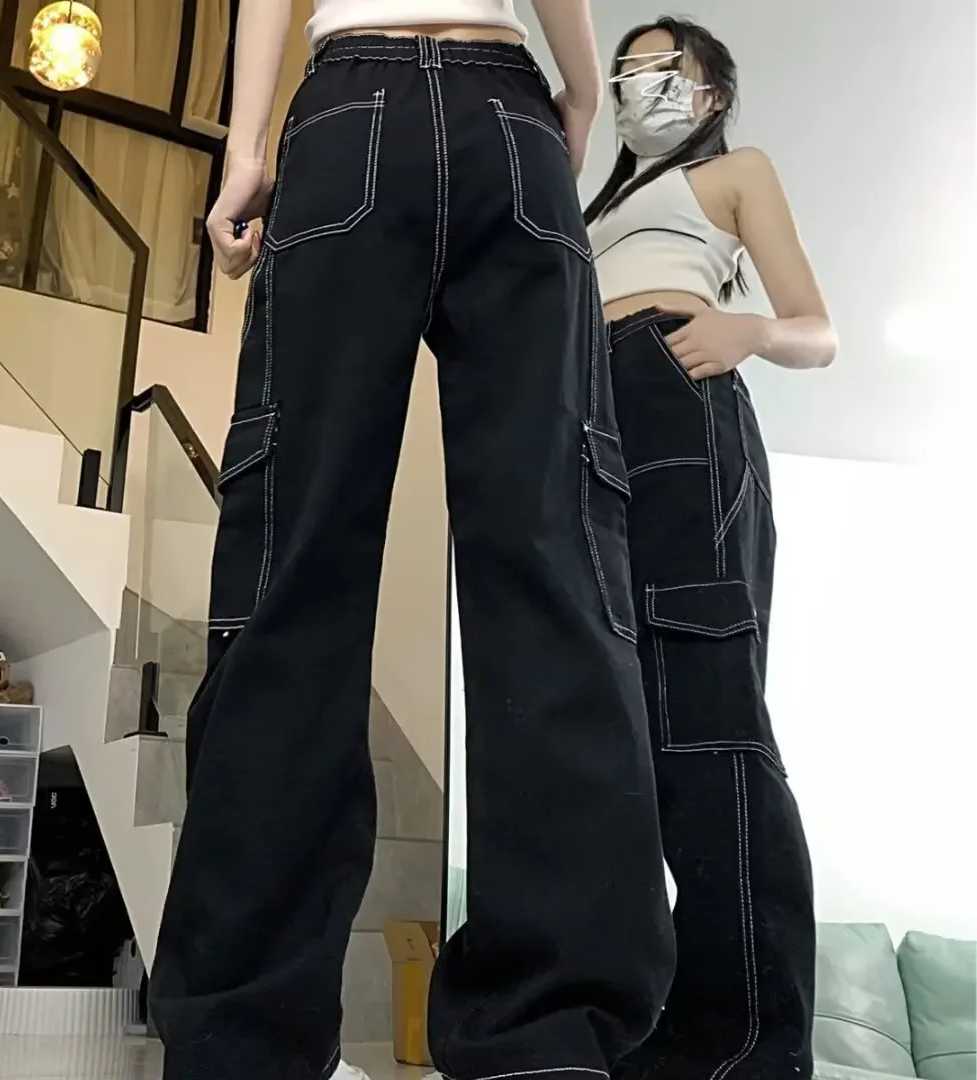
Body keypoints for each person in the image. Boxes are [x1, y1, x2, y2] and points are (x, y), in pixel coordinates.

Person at [150, 3, 678, 1079]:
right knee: (555, 568)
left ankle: (245, 1039)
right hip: (513, 118)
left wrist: (246, 152)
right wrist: (581, 92)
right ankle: (550, 1040)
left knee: (294, 566)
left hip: (349, 114)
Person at [585, 16, 838, 1080]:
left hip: (677, 386)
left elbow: (818, 329)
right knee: (603, 725)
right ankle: (626, 1026)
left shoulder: (734, 173)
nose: (642, 83)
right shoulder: (589, 212)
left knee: (706, 710)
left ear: (712, 93)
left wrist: (751, 331)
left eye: (666, 68)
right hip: (585, 415)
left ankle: (744, 1047)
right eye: (629, 69)